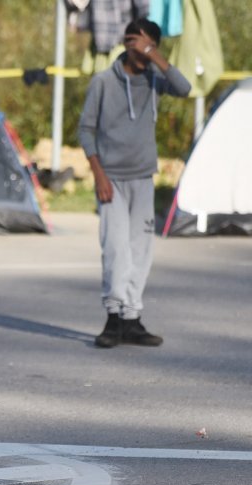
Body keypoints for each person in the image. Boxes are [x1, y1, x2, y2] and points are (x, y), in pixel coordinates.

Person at [79, 18, 190, 349]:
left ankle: (132, 318)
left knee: (141, 249)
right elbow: (86, 130)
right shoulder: (103, 82)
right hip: (111, 179)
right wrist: (99, 174)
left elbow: (185, 88)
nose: (137, 48)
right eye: (133, 41)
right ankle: (113, 318)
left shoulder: (156, 79)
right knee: (115, 249)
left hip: (143, 177)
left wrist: (155, 57)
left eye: (144, 43)